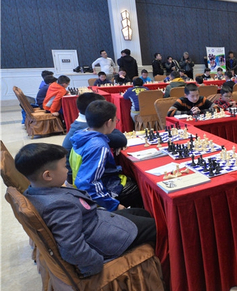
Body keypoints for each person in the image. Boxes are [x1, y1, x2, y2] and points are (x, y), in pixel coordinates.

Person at [15, 143, 156, 278]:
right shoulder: (58, 206)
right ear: (47, 176)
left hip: (98, 222)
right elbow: (71, 247)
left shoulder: (35, 191)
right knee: (157, 227)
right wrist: (95, 265)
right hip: (105, 239)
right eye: (64, 167)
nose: (67, 170)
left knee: (142, 213)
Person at [71, 101, 143, 211]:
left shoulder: (81, 134)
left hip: (80, 186)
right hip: (96, 193)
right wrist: (113, 205)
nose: (116, 123)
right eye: (116, 120)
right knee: (138, 187)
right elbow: (87, 183)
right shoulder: (99, 146)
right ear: (109, 122)